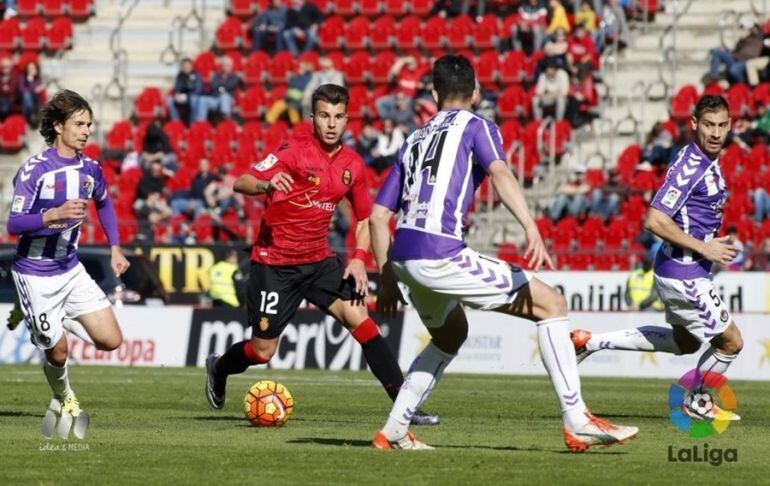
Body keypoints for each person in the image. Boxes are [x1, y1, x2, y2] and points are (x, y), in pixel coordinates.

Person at [369, 55, 637, 451]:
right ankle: (577, 419)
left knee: (452, 333)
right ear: (475, 93)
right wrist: (531, 225)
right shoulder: (478, 126)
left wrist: (388, 276)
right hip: (440, 252)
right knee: (551, 304)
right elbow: (499, 172)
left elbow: (377, 217)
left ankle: (393, 429)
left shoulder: (413, 139)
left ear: (433, 92)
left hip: (406, 256)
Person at [204, 84, 439, 426]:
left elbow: (363, 218)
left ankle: (405, 408)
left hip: (318, 262)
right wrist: (266, 185)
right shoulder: (292, 151)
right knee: (262, 351)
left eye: (338, 116)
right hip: (275, 264)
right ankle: (220, 366)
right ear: (313, 118)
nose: (331, 123)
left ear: (347, 119)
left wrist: (359, 258)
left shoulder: (353, 165)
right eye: (324, 116)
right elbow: (242, 181)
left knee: (362, 321)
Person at [572, 95, 744, 421]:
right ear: (694, 124)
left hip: (678, 266)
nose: (716, 132)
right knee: (731, 342)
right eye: (709, 125)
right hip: (685, 272)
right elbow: (654, 220)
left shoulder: (706, 159)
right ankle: (697, 400)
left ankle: (589, 341)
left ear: (730, 125)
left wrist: (707, 240)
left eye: (722, 125)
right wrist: (704, 247)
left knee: (685, 342)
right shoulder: (691, 167)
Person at [6, 90, 130, 438]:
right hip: (34, 272)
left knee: (111, 341)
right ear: (58, 126)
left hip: (71, 269)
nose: (86, 130)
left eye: (89, 124)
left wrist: (115, 248)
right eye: (79, 123)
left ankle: (42, 319)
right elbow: (13, 225)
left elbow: (104, 203)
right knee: (58, 351)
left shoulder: (90, 168)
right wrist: (53, 215)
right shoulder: (35, 170)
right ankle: (66, 397)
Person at [166, 58, 202, 124]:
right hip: (182, 97)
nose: (186, 68)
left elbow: (198, 90)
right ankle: (176, 123)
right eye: (184, 66)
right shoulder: (180, 75)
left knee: (193, 100)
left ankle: (192, 124)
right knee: (170, 100)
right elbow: (176, 88)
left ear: (191, 66)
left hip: (192, 96)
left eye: (188, 66)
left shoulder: (196, 75)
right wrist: (176, 94)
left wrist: (187, 95)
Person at [18, 61, 43, 127]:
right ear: (27, 69)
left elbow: (39, 89)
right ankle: (32, 114)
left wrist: (32, 89)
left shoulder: (38, 79)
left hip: (35, 99)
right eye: (30, 68)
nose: (31, 70)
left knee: (28, 95)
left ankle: (31, 115)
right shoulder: (22, 78)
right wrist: (33, 90)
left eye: (33, 68)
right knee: (26, 95)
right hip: (24, 99)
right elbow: (22, 89)